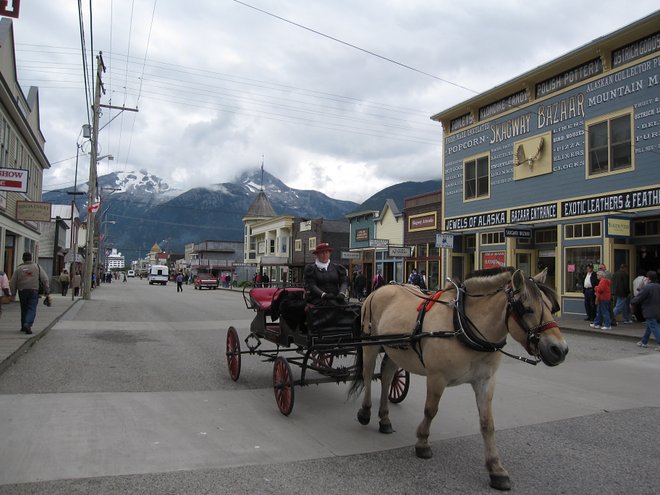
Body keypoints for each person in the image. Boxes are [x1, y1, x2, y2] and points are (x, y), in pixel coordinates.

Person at [9, 252, 51, 335]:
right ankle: (27, 324)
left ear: (23, 259)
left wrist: (13, 293)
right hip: (34, 291)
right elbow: (45, 279)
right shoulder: (37, 267)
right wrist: (47, 290)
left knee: (24, 308)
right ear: (31, 258)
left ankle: (23, 325)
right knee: (31, 308)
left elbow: (12, 282)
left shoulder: (19, 269)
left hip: (22, 291)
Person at [630, 270, 660, 351]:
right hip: (658, 310)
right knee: (649, 326)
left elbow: (640, 297)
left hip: (650, 310)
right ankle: (644, 341)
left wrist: (632, 302)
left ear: (648, 278)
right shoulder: (658, 286)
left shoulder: (648, 287)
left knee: (653, 326)